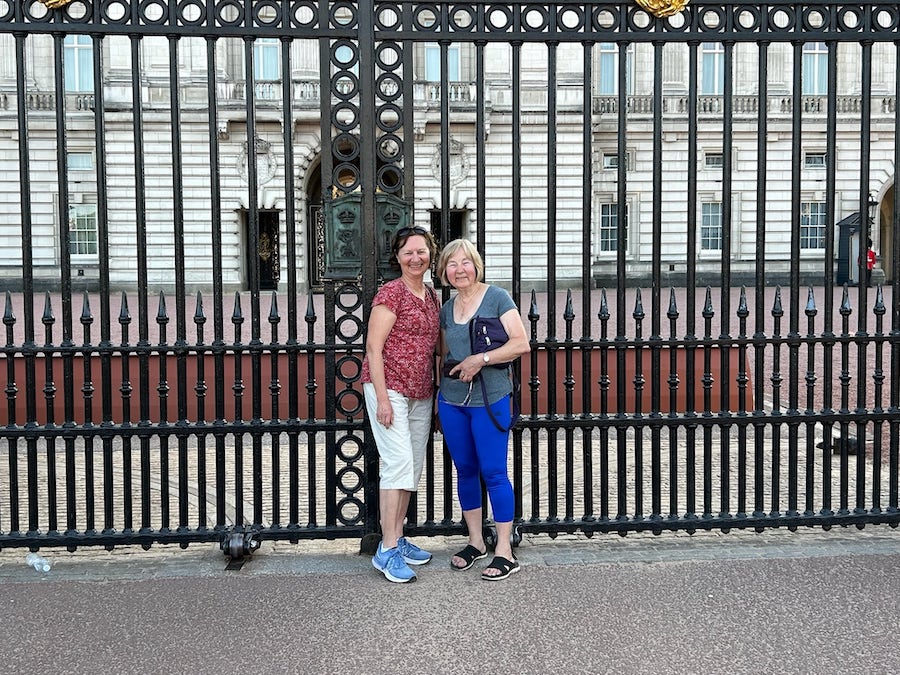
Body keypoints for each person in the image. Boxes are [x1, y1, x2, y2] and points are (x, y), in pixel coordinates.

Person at [436, 239, 530, 580]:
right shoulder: (447, 308)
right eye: (452, 264)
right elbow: (444, 355)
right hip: (452, 400)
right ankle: (475, 541)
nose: (459, 269)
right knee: (465, 470)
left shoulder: (497, 298)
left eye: (465, 262)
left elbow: (521, 343)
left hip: (490, 399)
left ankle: (504, 550)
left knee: (494, 472)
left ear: (476, 265)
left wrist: (481, 359)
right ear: (444, 271)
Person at [361, 226, 440, 583]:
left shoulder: (431, 295)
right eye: (408, 252)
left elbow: (436, 349)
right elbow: (373, 348)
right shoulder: (391, 293)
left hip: (421, 391)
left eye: (421, 251)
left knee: (411, 468)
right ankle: (387, 548)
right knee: (397, 464)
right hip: (390, 387)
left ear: (430, 255)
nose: (415, 258)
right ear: (397, 257)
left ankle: (398, 537)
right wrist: (382, 399)